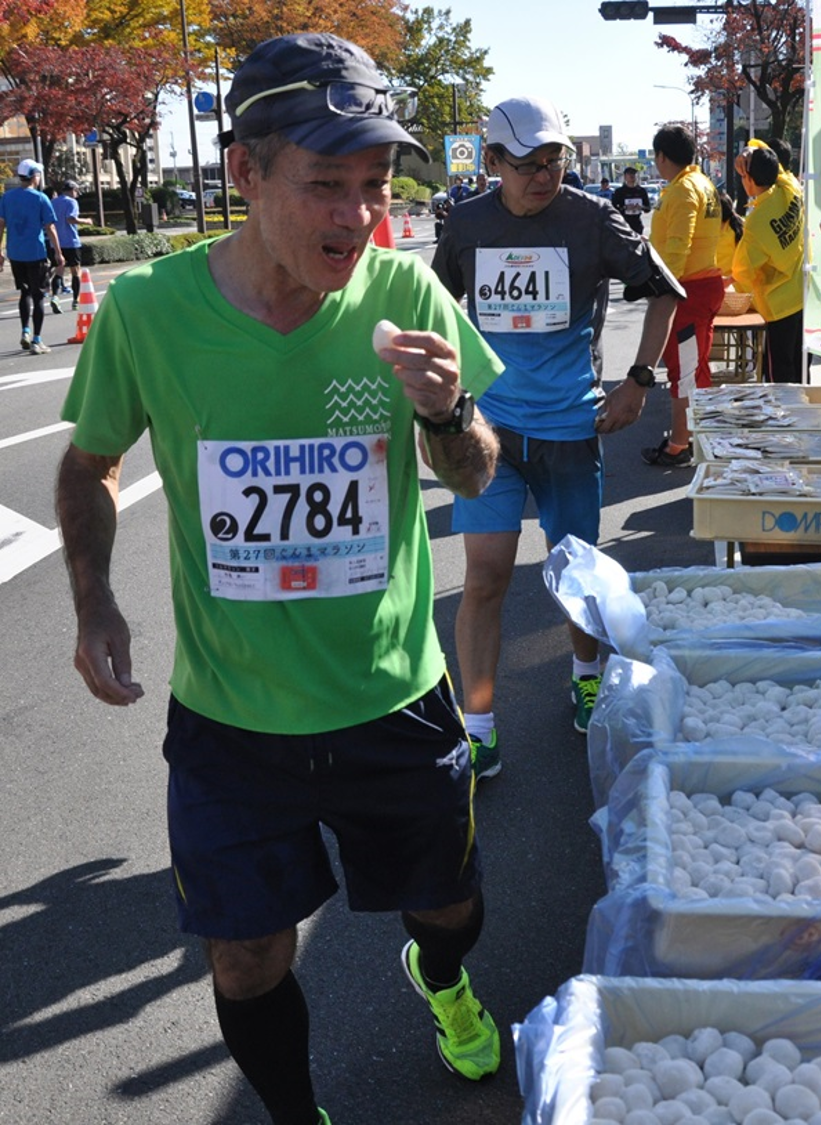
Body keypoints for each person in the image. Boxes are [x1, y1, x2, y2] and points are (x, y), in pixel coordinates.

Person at [54, 33, 507, 1125]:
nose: (354, 216)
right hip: (230, 716)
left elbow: (478, 466)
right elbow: (89, 463)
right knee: (246, 959)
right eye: (323, 185)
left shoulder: (405, 294)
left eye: (371, 187)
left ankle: (439, 982)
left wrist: (447, 412)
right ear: (246, 173)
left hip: (391, 691)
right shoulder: (150, 310)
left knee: (448, 910)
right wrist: (93, 600)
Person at [431, 94, 681, 775]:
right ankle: (477, 724)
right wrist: (447, 392)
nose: (544, 176)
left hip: (573, 426)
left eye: (555, 161)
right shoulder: (467, 222)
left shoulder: (591, 217)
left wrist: (638, 379)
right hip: (491, 432)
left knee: (576, 578)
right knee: (483, 576)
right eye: (527, 164)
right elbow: (432, 305)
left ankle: (585, 672)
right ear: (491, 162)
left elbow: (663, 288)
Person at [641, 125, 724, 466]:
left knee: (683, 371)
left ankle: (679, 444)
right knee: (694, 366)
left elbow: (678, 248)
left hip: (687, 289)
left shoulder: (682, 191)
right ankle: (695, 436)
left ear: (661, 156)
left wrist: (663, 292)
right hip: (702, 285)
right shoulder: (702, 183)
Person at [732, 143, 805, 383]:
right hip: (802, 293)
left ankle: (784, 419)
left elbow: (742, 272)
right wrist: (750, 152)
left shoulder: (756, 223)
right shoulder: (790, 187)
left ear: (749, 180)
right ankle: (803, 415)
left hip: (777, 305)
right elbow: (775, 162)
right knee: (799, 366)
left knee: (779, 373)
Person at [0, 158, 63, 355]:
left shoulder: (7, 198)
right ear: (34, 176)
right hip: (35, 252)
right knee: (38, 295)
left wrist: (0, 251)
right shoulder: (40, 198)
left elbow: (1, 224)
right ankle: (37, 340)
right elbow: (50, 227)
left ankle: (25, 331)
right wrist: (59, 253)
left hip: (15, 252)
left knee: (24, 292)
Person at [50, 179, 83, 312]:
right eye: (76, 192)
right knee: (76, 271)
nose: (77, 195)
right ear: (72, 190)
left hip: (56, 242)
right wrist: (86, 221)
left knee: (59, 270)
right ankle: (75, 300)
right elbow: (70, 219)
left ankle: (55, 297)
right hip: (71, 241)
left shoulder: (53, 202)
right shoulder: (72, 202)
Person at [612, 165, 651, 235]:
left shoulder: (641, 191)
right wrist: (624, 208)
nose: (632, 176)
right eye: (629, 174)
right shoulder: (620, 191)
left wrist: (641, 207)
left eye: (634, 174)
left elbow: (648, 208)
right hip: (624, 224)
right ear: (625, 177)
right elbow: (613, 208)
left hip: (637, 224)